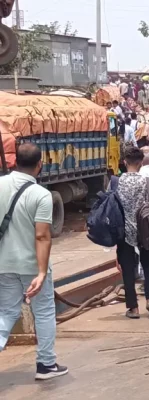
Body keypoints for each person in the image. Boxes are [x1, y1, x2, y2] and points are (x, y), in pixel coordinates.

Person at [0, 143, 68, 380]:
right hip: (32, 266)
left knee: (6, 313)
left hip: (3, 264)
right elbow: (41, 235)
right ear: (40, 164)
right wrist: (41, 273)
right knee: (44, 312)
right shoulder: (41, 194)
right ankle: (46, 365)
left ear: (15, 161)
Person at [115, 146, 149, 319]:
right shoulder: (148, 181)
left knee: (127, 268)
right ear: (141, 162)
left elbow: (112, 207)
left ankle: (133, 308)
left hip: (123, 230)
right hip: (145, 229)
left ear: (125, 162)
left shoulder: (116, 182)